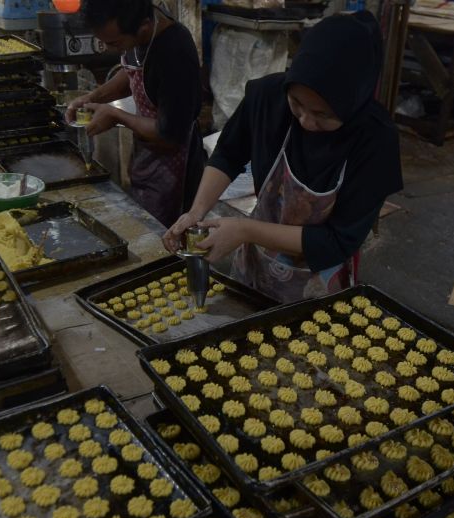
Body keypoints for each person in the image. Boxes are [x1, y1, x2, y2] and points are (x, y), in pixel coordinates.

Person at [163, 12, 403, 305]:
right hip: (256, 263)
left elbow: (338, 241)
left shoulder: (375, 140)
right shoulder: (267, 96)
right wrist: (197, 211)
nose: (306, 121)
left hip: (318, 279)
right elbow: (228, 153)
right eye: (297, 104)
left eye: (323, 115)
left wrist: (245, 229)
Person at [67, 0, 205, 227]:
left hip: (176, 165)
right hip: (148, 153)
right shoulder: (138, 33)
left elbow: (169, 134)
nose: (112, 49)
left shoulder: (174, 53)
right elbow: (132, 71)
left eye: (115, 43)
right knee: (143, 223)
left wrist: (115, 116)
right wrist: (93, 98)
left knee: (164, 236)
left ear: (144, 26)